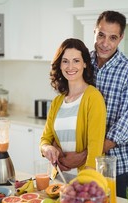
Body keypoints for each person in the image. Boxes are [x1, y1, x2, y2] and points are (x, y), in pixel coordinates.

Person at [58, 11, 128, 198]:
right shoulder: (82, 62)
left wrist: (83, 155)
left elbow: (126, 125)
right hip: (83, 168)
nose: (105, 43)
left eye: (113, 38)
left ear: (121, 38)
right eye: (101, 35)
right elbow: (68, 107)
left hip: (116, 169)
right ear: (94, 32)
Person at [39, 38, 107, 174]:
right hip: (59, 177)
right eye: (65, 61)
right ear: (60, 65)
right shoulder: (57, 102)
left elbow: (95, 146)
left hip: (85, 178)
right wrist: (47, 149)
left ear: (85, 64)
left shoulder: (93, 97)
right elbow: (45, 139)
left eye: (76, 61)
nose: (70, 67)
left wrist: (86, 181)